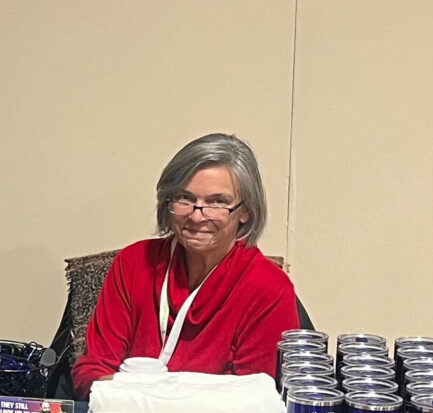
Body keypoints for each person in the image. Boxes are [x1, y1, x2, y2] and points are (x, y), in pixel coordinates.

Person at [71, 133, 299, 399]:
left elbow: (253, 402)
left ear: (246, 211)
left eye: (218, 202)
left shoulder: (269, 289)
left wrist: (144, 394)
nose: (197, 214)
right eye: (185, 198)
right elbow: (91, 373)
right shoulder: (134, 263)